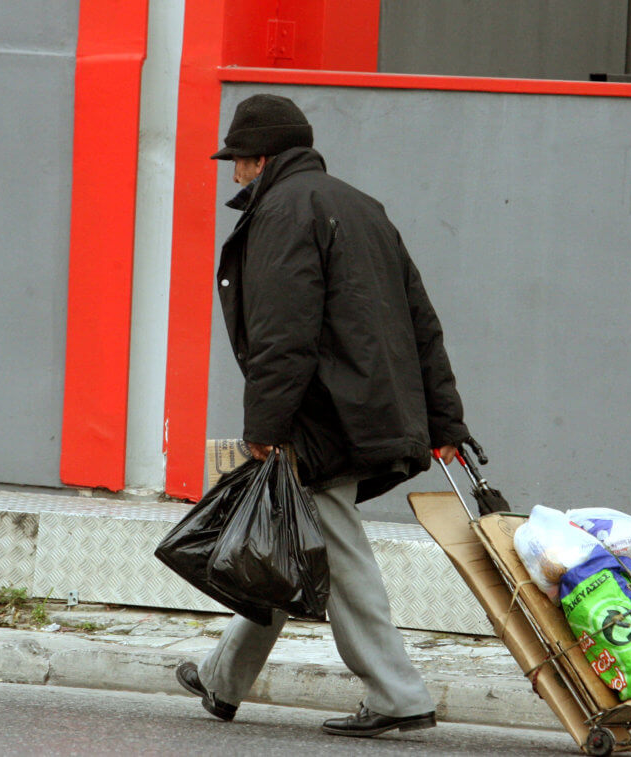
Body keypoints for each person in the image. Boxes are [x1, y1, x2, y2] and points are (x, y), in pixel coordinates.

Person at [174, 93, 471, 738]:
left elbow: (284, 334)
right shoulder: (361, 207)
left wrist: (264, 427)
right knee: (282, 535)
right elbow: (422, 323)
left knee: (334, 551)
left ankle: (397, 693)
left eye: (239, 161)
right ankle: (224, 679)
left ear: (262, 158)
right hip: (365, 404)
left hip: (323, 413)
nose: (233, 175)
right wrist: (446, 420)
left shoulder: (284, 211)